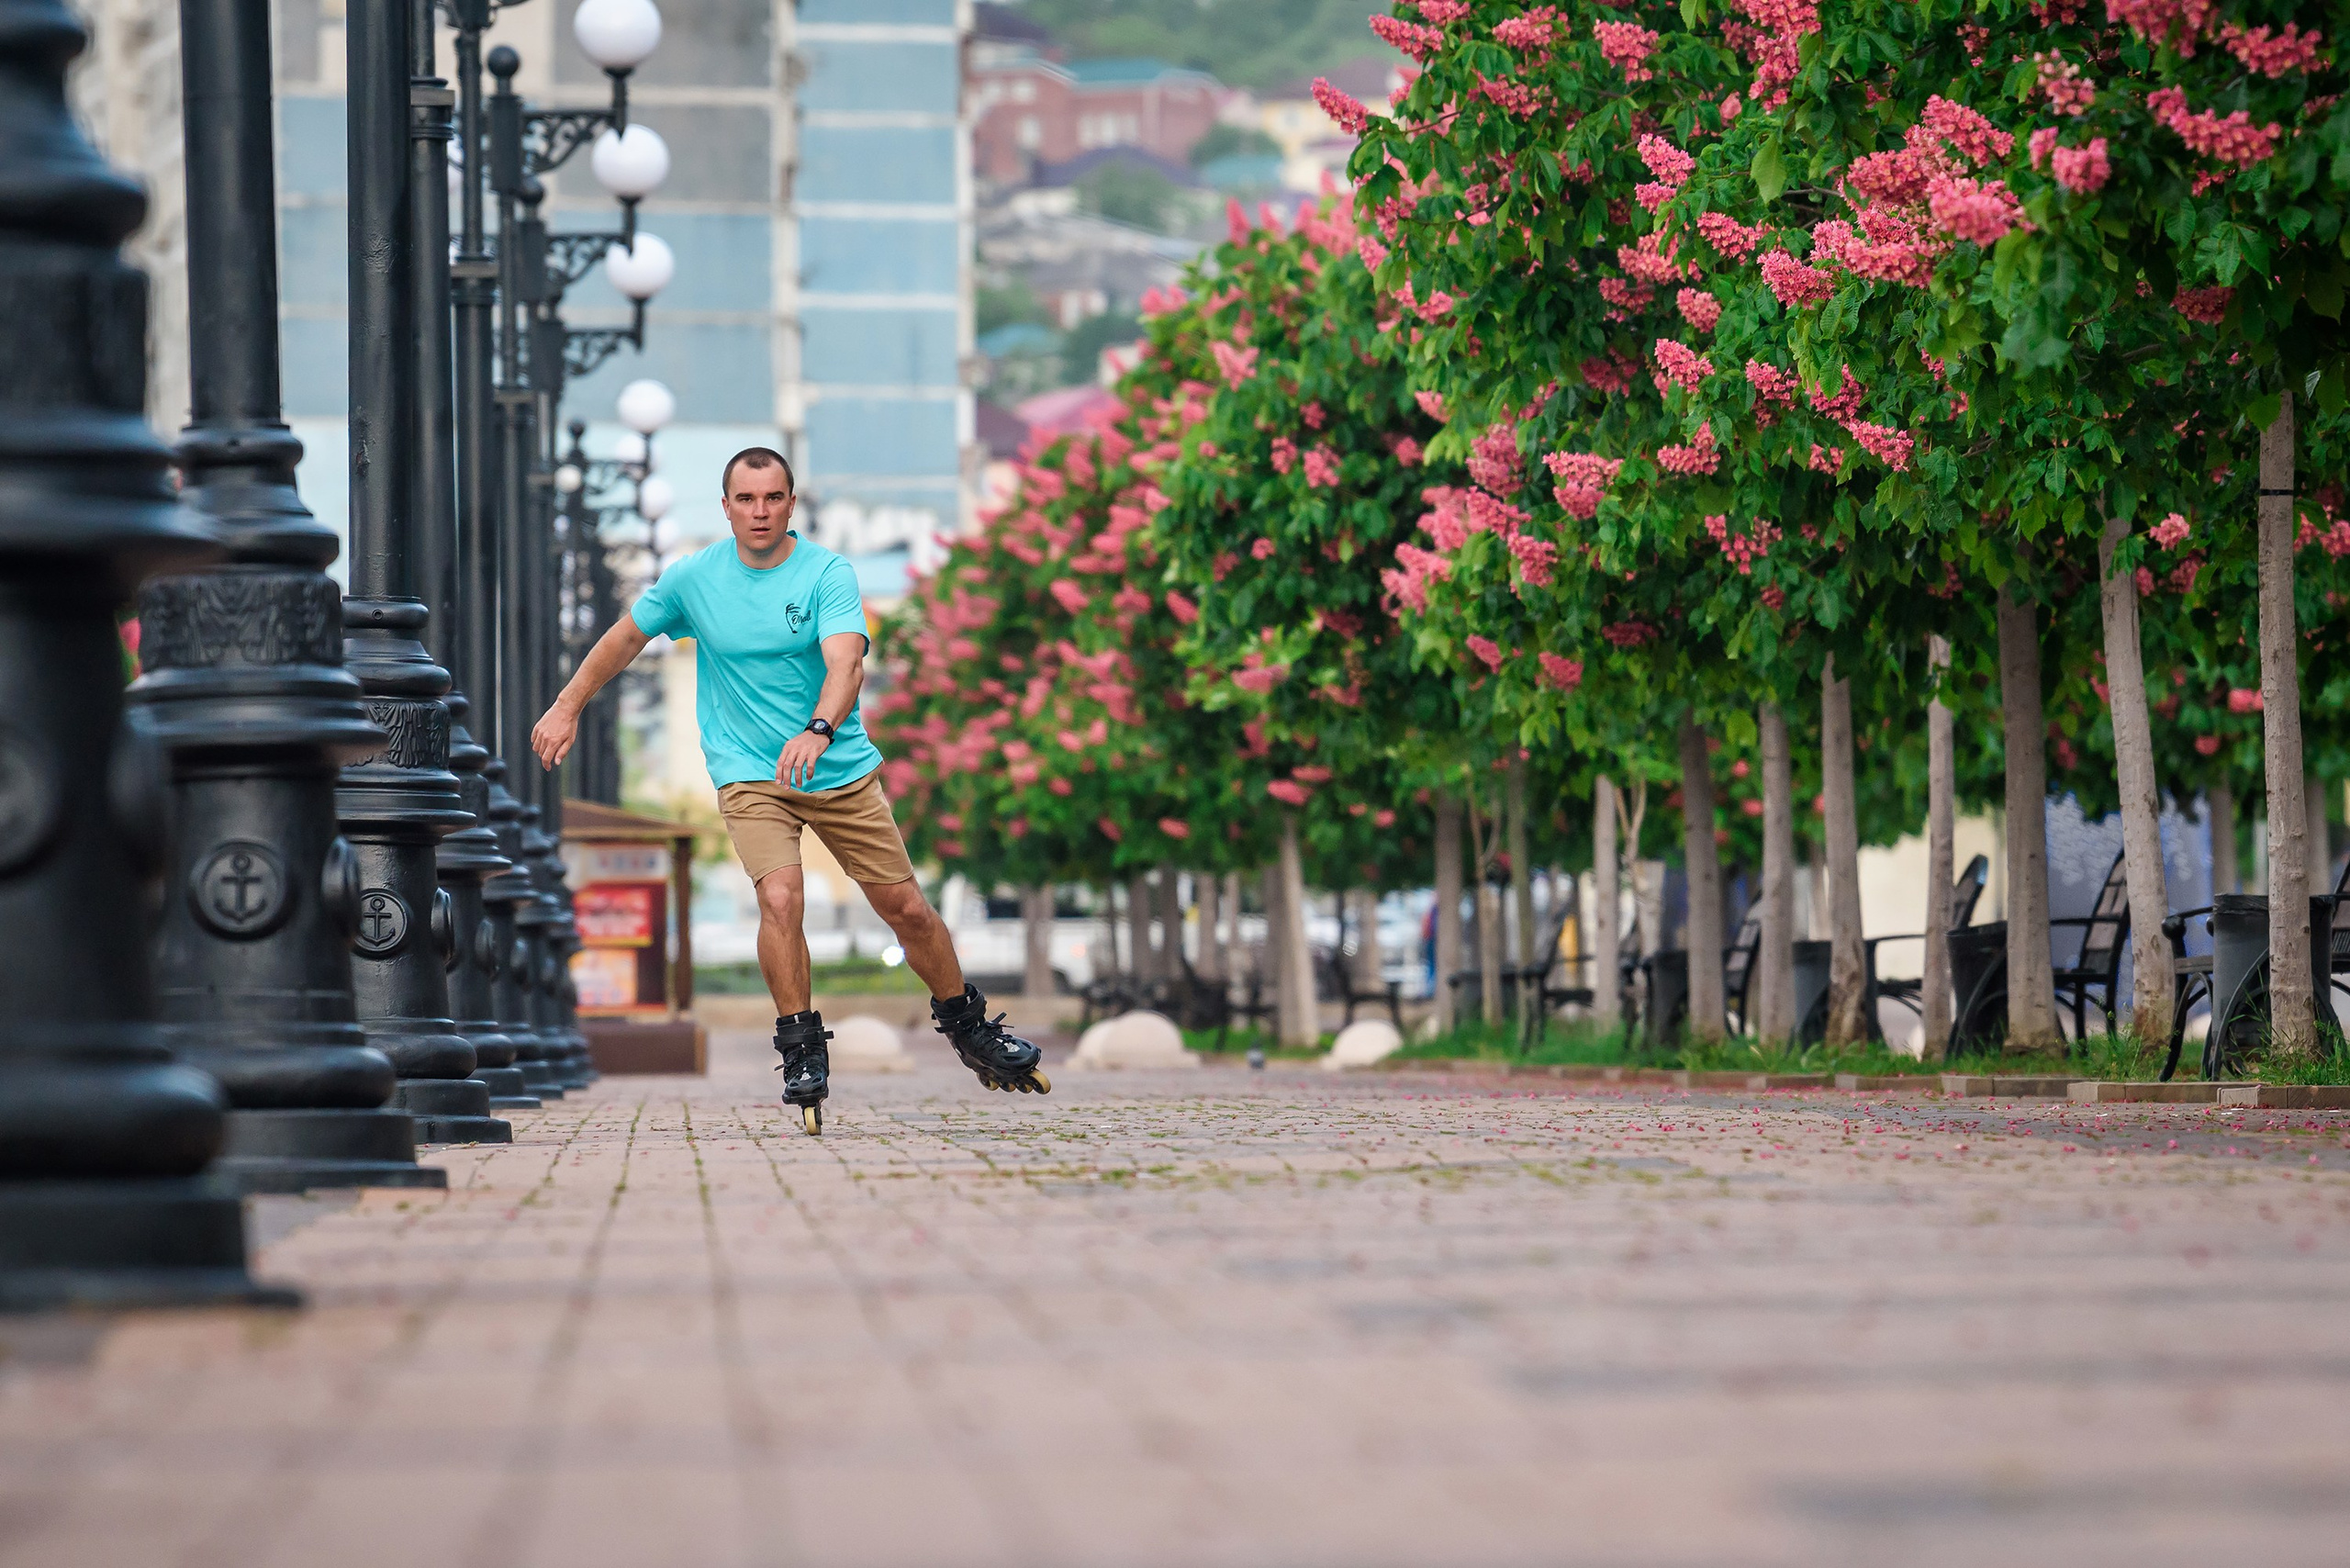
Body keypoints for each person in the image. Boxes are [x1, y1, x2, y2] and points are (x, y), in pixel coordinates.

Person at [531, 446, 1048, 1134]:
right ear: (725, 507)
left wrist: (819, 729)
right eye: (746, 499)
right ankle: (801, 1046)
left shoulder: (827, 573)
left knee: (907, 909)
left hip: (836, 765)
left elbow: (846, 663)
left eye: (772, 498)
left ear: (791, 503)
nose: (760, 511)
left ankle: (968, 1026)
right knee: (781, 895)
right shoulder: (695, 578)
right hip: (750, 771)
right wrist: (568, 705)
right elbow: (625, 639)